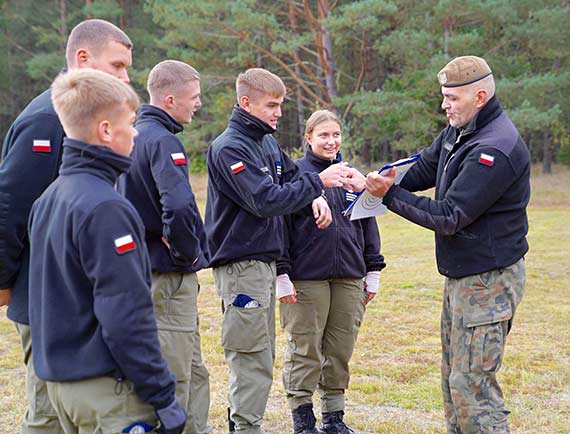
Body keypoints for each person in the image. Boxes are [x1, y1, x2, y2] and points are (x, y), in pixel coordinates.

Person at [365, 56, 529, 434]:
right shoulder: (460, 132)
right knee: (454, 381)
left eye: (452, 98)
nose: (445, 105)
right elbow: (422, 168)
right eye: (444, 97)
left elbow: (449, 216)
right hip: (463, 276)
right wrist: (373, 181)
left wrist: (388, 196)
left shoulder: (494, 148)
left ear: (480, 96)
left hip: (488, 281)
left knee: (474, 389)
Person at [27, 68, 187, 434]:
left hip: (62, 387)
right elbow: (127, 314)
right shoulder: (106, 208)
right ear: (104, 130)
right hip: (107, 393)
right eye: (130, 123)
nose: (135, 132)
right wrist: (163, 396)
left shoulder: (50, 197)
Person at [205, 68, 360, 434]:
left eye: (281, 104)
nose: (278, 112)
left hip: (260, 264)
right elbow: (264, 199)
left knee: (262, 355)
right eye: (271, 105)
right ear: (246, 103)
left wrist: (315, 197)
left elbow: (291, 178)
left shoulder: (267, 142)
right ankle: (244, 429)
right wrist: (318, 183)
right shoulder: (231, 147)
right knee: (251, 357)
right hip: (241, 265)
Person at [0, 19, 133, 434]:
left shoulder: (92, 118)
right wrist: (4, 281)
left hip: (78, 293)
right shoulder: (46, 119)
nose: (125, 77)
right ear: (82, 58)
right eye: (117, 65)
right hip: (44, 296)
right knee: (50, 418)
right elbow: (10, 207)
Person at [277, 110, 386, 434]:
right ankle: (303, 420)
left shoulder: (353, 176)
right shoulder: (296, 175)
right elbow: (279, 225)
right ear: (308, 137)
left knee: (339, 350)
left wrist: (373, 270)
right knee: (306, 348)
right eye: (323, 135)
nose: (331, 141)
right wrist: (282, 274)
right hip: (306, 277)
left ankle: (334, 419)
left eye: (336, 134)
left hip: (349, 276)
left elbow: (368, 224)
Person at [117, 60, 212, 434]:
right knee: (177, 373)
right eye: (195, 97)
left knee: (193, 366)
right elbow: (179, 205)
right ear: (170, 99)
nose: (199, 104)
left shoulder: (132, 136)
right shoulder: (164, 141)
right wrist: (185, 254)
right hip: (167, 275)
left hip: (141, 271)